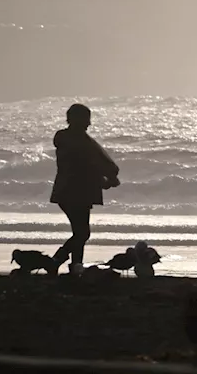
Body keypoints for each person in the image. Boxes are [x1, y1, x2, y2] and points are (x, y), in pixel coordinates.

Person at [50, 103, 119, 275]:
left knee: (80, 231)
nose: (89, 124)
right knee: (82, 233)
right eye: (87, 119)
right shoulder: (81, 142)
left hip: (68, 190)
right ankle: (57, 260)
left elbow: (92, 163)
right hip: (76, 192)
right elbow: (92, 163)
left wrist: (106, 177)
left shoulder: (66, 139)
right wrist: (108, 177)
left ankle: (75, 265)